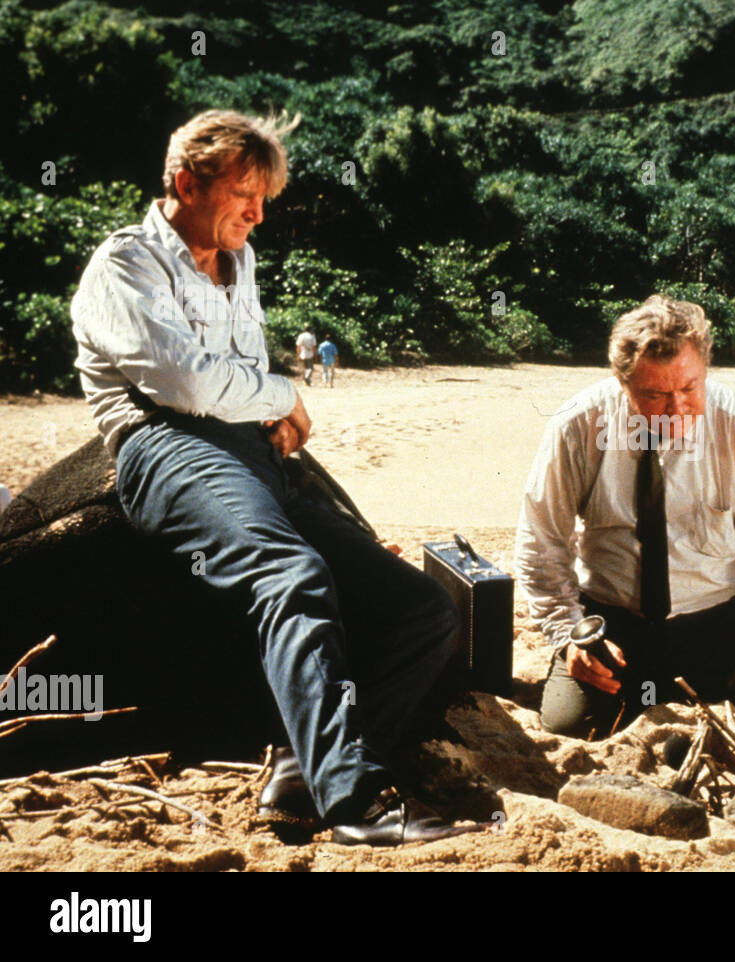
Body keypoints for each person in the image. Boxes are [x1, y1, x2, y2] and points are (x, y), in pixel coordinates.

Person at [70, 109, 481, 845]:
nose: (258, 215)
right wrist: (285, 396)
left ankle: (302, 763)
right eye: (242, 195)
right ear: (185, 182)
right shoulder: (123, 264)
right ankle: (359, 806)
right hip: (165, 447)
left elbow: (237, 370)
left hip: (250, 452)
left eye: (266, 199)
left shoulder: (240, 260)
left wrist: (266, 406)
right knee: (290, 575)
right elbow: (185, 384)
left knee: (423, 608)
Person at [515, 294, 735, 739]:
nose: (677, 408)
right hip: (610, 623)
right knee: (568, 726)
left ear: (706, 371)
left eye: (689, 388)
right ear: (623, 384)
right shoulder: (577, 425)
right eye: (656, 395)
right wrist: (569, 636)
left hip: (721, 620)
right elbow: (540, 545)